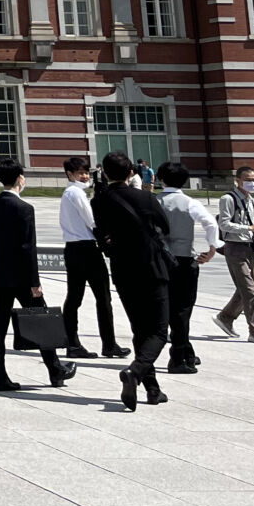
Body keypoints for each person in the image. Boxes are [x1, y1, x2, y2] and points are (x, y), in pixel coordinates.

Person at [0, 158, 76, 393]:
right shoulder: (24, 209)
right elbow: (27, 248)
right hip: (22, 277)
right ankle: (55, 369)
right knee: (41, 319)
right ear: (20, 178)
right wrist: (35, 282)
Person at [92, 151, 175, 408]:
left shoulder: (99, 201)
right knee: (160, 330)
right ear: (131, 173)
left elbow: (101, 233)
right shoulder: (145, 197)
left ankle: (152, 388)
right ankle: (135, 372)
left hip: (122, 269)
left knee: (139, 329)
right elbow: (165, 226)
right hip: (151, 267)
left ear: (104, 173)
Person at [57, 156, 127, 361]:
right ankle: (108, 343)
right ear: (70, 174)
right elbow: (92, 221)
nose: (85, 176)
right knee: (102, 297)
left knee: (75, 297)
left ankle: (72, 342)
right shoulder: (76, 193)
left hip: (73, 249)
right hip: (86, 248)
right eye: (80, 173)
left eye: (86, 172)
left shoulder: (70, 193)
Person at [152, 161, 218, 374]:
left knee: (167, 307)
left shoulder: (154, 201)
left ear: (161, 179)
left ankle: (186, 351)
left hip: (160, 259)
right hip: (184, 259)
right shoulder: (189, 202)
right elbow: (210, 222)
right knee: (183, 309)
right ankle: (179, 356)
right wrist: (212, 247)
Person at [214, 164, 254, 344]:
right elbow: (223, 224)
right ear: (237, 180)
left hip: (248, 247)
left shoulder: (250, 199)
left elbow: (249, 220)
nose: (252, 183)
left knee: (248, 289)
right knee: (249, 291)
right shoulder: (228, 199)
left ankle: (226, 317)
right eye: (248, 180)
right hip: (234, 248)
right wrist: (249, 227)